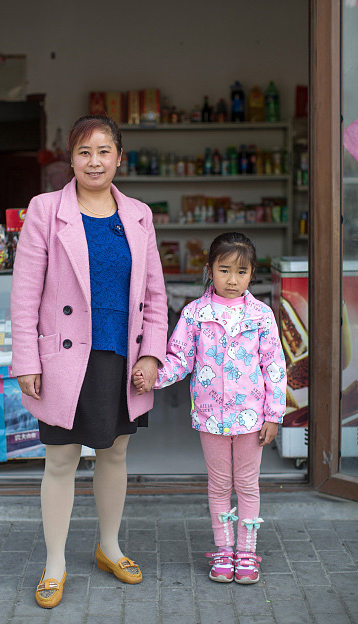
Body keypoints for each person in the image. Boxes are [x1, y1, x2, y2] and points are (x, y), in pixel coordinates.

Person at [10, 114, 168, 609]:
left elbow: (155, 295)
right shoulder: (44, 210)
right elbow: (24, 293)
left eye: (104, 151)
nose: (94, 161)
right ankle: (55, 562)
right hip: (62, 355)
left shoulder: (139, 215)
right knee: (61, 458)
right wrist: (26, 360)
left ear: (120, 158)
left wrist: (152, 353)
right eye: (84, 152)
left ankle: (109, 547)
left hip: (121, 356)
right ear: (70, 160)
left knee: (115, 452)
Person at [133, 232, 286, 584]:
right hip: (210, 418)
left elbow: (274, 367)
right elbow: (179, 359)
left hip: (252, 419)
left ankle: (246, 554)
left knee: (247, 485)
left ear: (252, 275)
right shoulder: (194, 314)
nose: (232, 280)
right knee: (218, 486)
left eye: (242, 272)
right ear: (209, 271)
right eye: (225, 270)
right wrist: (152, 377)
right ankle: (223, 552)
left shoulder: (261, 315)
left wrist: (274, 415)